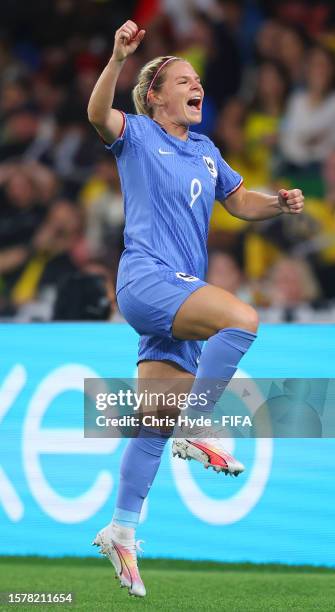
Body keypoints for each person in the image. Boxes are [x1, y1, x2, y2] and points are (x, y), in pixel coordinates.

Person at [87, 20, 304, 598]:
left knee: (153, 423)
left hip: (179, 296)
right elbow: (96, 114)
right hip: (148, 279)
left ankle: (122, 529)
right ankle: (199, 421)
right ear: (155, 96)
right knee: (243, 317)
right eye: (183, 80)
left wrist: (277, 205)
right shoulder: (133, 133)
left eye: (199, 80)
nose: (196, 85)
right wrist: (116, 60)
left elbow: (239, 202)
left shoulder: (206, 151)